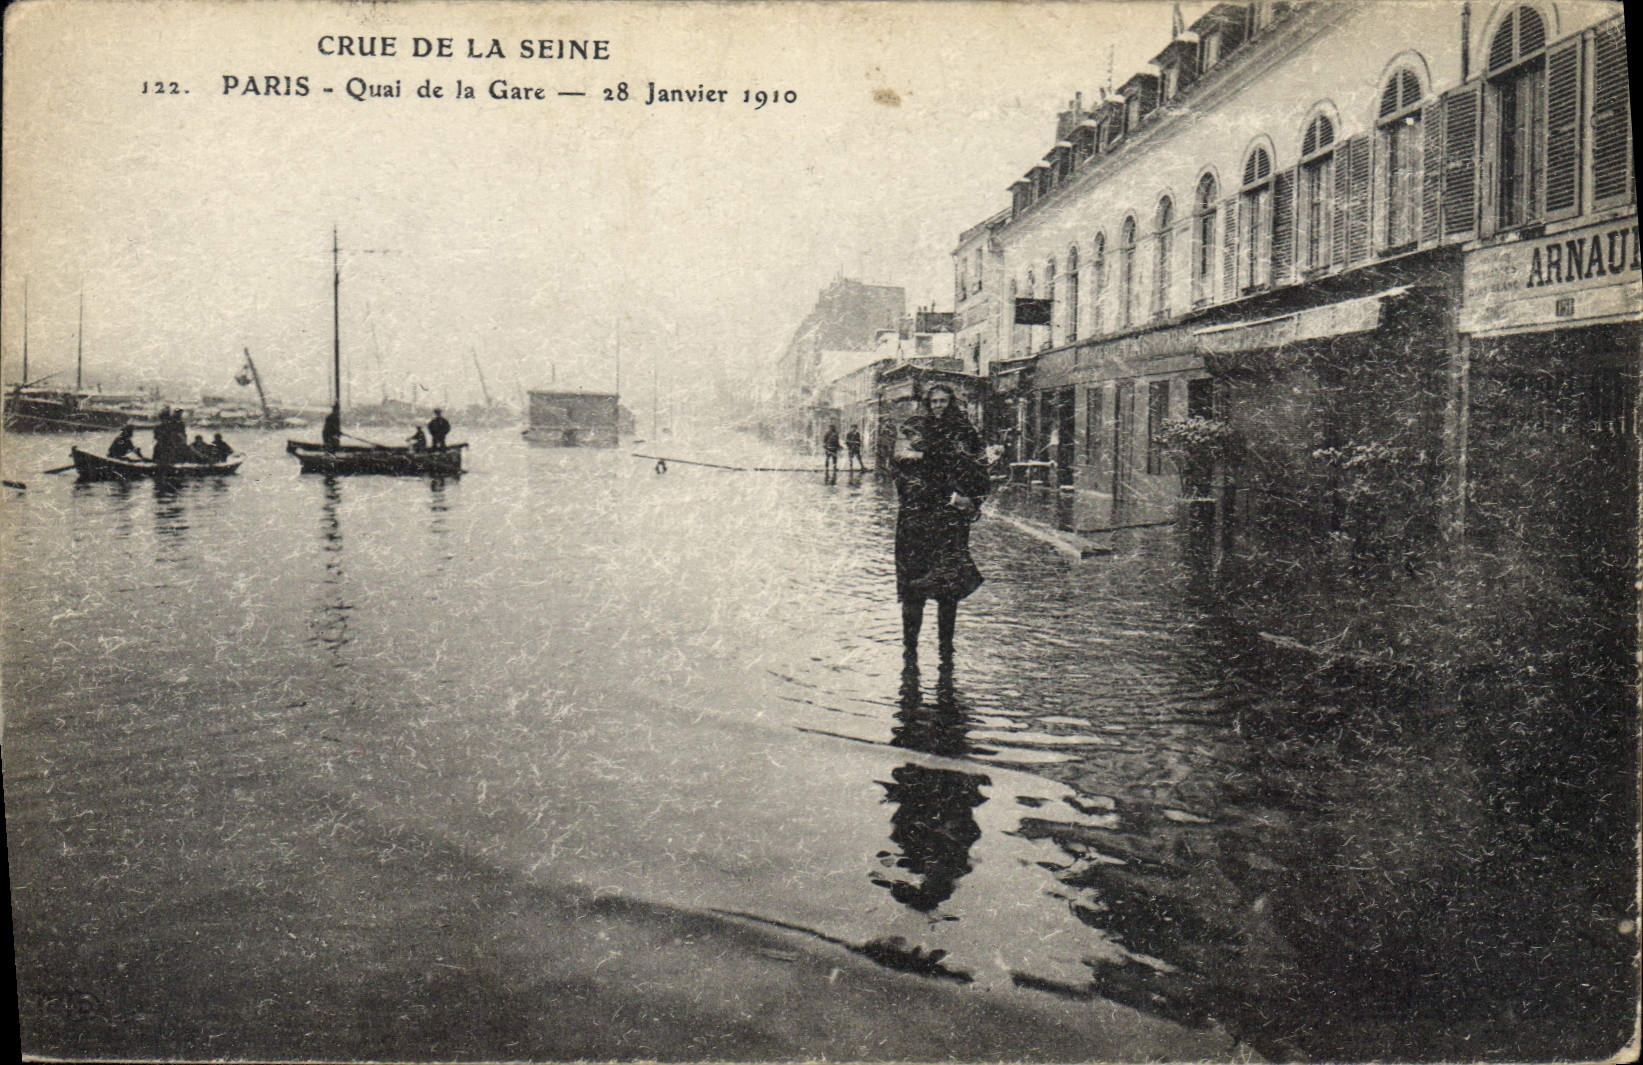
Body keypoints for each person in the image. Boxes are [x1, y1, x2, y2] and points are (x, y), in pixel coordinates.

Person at [891, 384, 989, 675]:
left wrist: (972, 500)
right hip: (916, 520)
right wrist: (935, 491)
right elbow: (899, 469)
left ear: (952, 402)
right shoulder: (913, 429)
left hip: (950, 522)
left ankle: (946, 648)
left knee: (949, 586)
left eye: (944, 400)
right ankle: (910, 648)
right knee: (913, 585)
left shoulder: (965, 431)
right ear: (926, 402)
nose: (938, 405)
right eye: (933, 401)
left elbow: (980, 471)